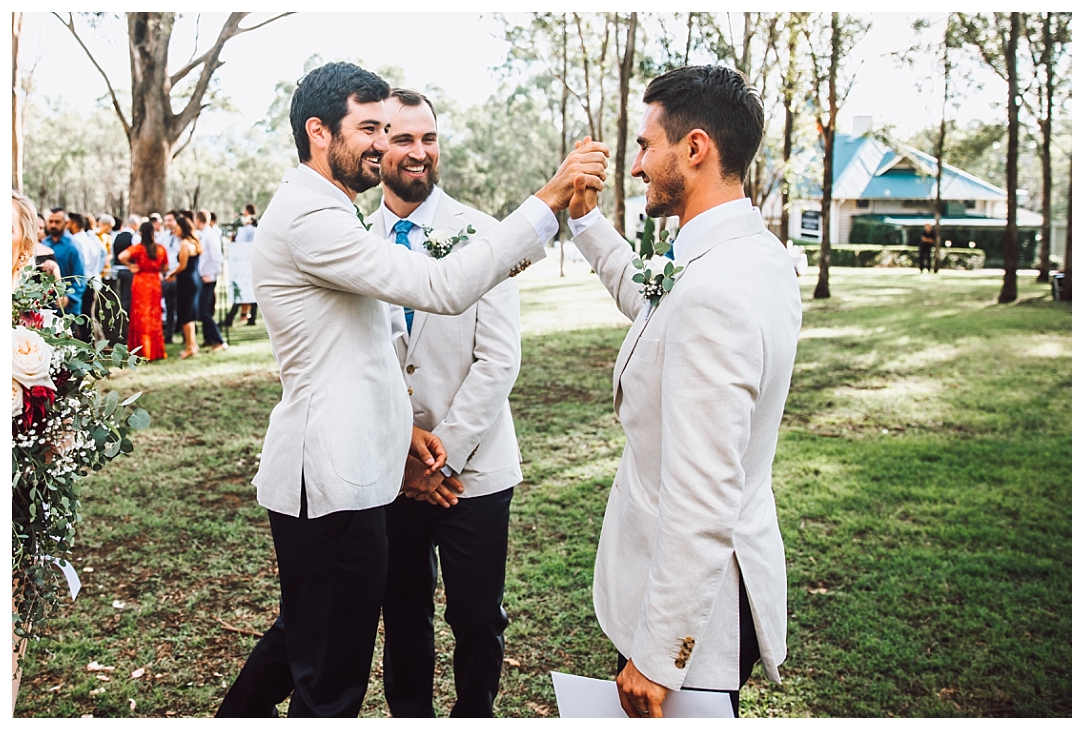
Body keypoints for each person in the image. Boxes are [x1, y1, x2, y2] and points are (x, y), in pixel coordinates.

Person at [215, 61, 605, 719]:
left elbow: (364, 358)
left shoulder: (325, 210)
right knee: (329, 678)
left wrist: (412, 437)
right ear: (319, 132)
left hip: (363, 471)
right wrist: (549, 199)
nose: (381, 143)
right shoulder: (315, 219)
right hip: (335, 479)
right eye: (369, 129)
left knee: (304, 643)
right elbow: (441, 287)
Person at [567, 65, 802, 718]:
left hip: (694, 622)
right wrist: (586, 224)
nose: (636, 165)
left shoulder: (713, 293)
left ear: (696, 148)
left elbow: (702, 497)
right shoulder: (749, 254)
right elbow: (656, 308)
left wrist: (660, 653)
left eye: (647, 145)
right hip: (705, 587)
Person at [364, 89, 523, 718]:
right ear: (377, 146)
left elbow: (498, 360)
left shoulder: (483, 234)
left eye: (428, 138)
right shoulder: (352, 239)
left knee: (478, 618)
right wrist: (402, 455)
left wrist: (441, 458)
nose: (419, 152)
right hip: (389, 471)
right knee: (403, 616)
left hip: (472, 473)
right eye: (403, 138)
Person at [118, 221, 168, 361]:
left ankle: (143, 350)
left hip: (141, 282)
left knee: (140, 315)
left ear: (141, 233)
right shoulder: (160, 249)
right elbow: (165, 267)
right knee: (154, 315)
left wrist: (131, 266)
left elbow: (121, 256)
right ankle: (155, 350)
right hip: (155, 282)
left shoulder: (139, 249)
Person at [164, 211, 202, 359]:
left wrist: (171, 274)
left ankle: (189, 347)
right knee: (190, 314)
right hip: (193, 279)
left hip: (186, 281)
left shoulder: (185, 244)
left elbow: (182, 265)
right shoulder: (194, 242)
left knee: (186, 315)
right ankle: (193, 345)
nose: (175, 230)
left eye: (177, 227)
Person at [43, 208, 86, 317]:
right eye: (50, 221)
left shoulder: (74, 246)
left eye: (57, 222)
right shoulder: (44, 244)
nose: (53, 225)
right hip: (47, 306)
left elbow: (80, 278)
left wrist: (69, 297)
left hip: (68, 309)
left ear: (66, 223)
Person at [194, 210, 227, 351]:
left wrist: (212, 275)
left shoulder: (210, 236)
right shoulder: (203, 235)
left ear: (198, 220)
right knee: (204, 309)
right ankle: (208, 338)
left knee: (204, 311)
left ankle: (219, 341)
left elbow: (216, 257)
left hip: (209, 278)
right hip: (203, 276)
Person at [224, 209, 258, 327]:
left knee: (246, 290)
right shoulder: (242, 229)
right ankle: (242, 317)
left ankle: (232, 318)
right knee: (245, 290)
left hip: (247, 263)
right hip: (242, 264)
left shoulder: (250, 230)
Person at [153, 213, 180, 344]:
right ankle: (169, 334)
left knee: (181, 306)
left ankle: (185, 333)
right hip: (166, 275)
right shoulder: (163, 237)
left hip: (178, 274)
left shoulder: (181, 238)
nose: (167, 223)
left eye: (170, 220)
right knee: (169, 306)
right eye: (166, 220)